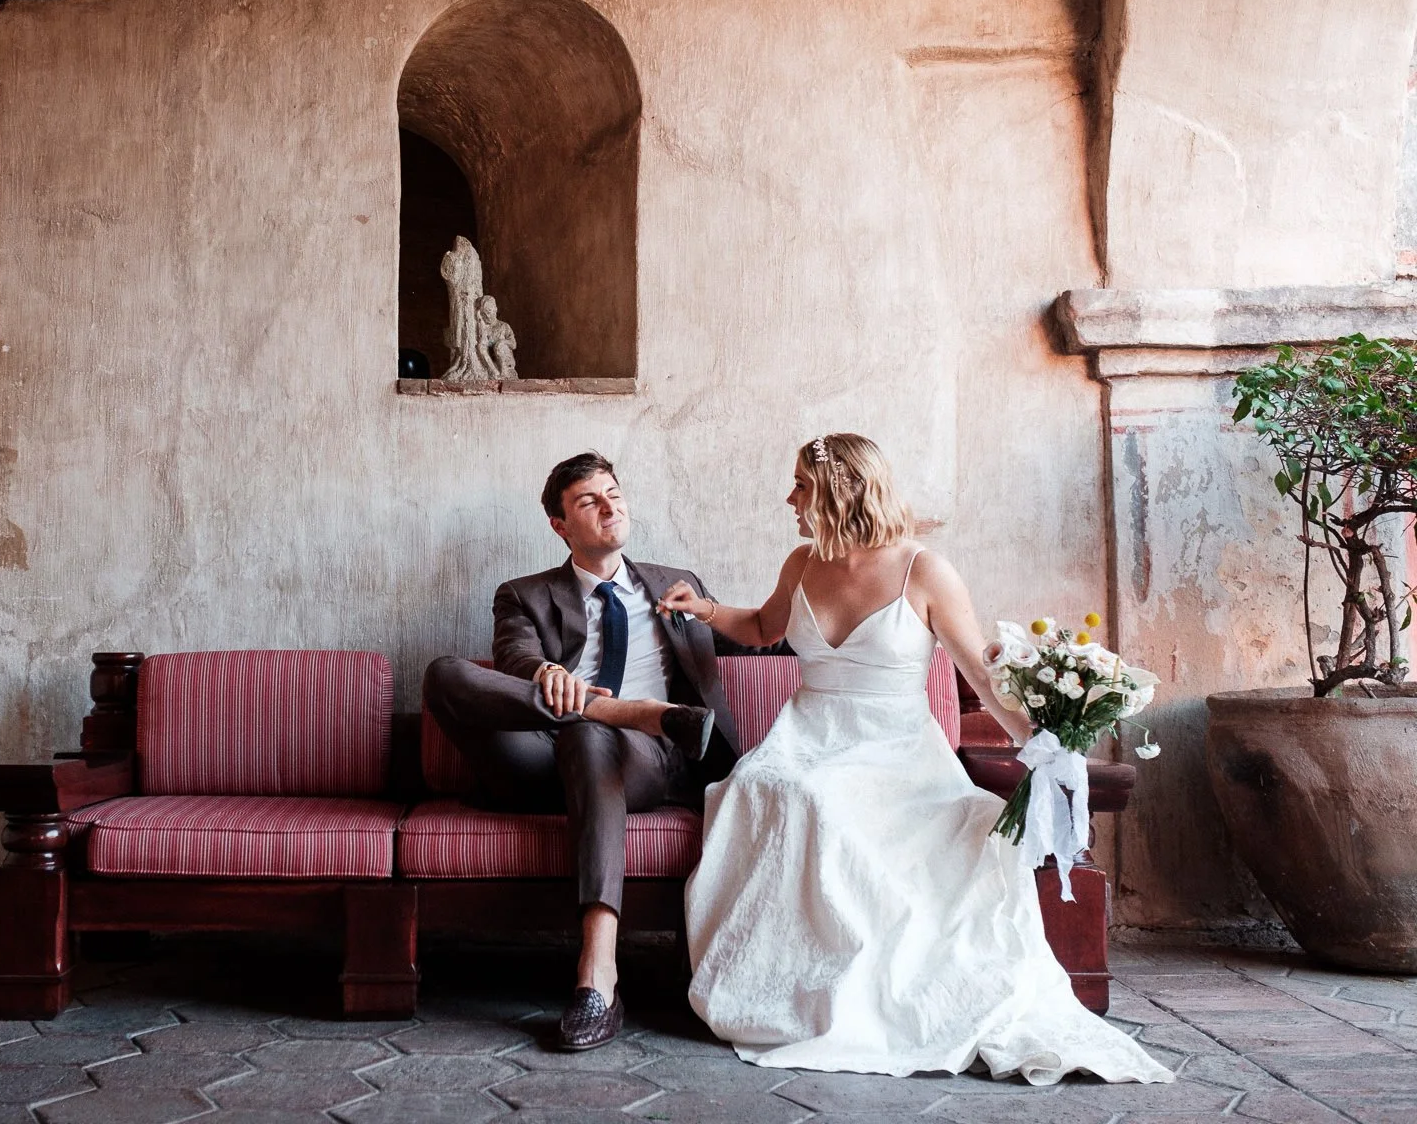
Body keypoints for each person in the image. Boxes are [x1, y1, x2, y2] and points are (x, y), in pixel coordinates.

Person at [657, 433, 1173, 1085]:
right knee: (778, 788)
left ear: (845, 490)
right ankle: (798, 988)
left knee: (907, 815)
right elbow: (763, 628)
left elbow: (982, 676)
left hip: (897, 752)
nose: (789, 497)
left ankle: (898, 992)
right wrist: (701, 608)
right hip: (809, 737)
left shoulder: (923, 570)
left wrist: (1041, 746)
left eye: (801, 485)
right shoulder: (803, 562)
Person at [424, 451, 755, 1052]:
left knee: (589, 733)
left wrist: (842, 623)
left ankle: (598, 972)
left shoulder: (675, 583)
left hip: (647, 759)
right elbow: (516, 661)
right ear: (560, 525)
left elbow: (761, 642)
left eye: (614, 493)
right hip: (539, 757)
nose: (610, 507)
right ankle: (608, 708)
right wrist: (549, 673)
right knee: (445, 673)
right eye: (589, 501)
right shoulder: (523, 594)